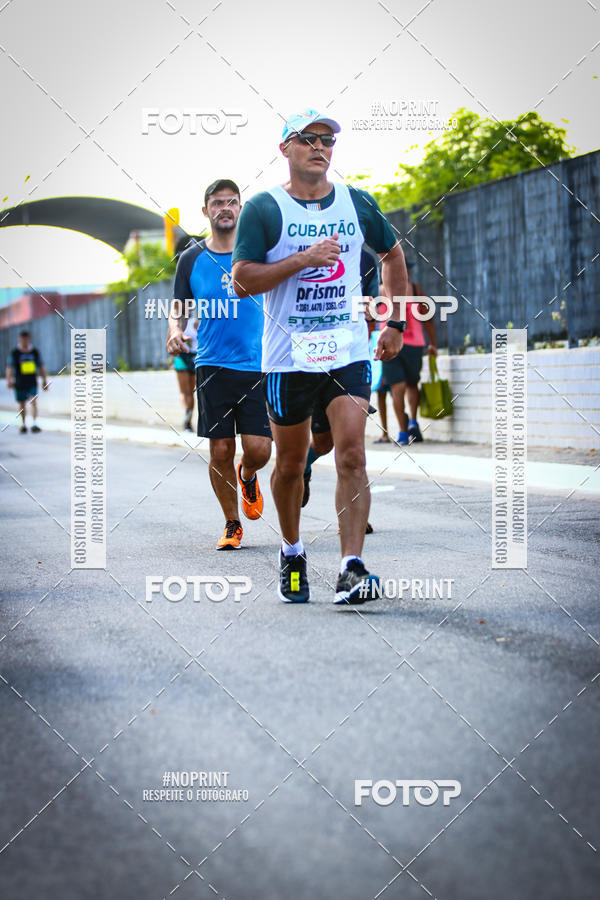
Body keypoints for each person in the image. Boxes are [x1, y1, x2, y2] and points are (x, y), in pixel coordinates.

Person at [232, 108, 408, 604]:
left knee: (352, 453)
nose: (319, 147)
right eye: (307, 138)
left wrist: (394, 322)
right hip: (288, 358)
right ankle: (291, 550)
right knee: (290, 466)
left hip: (346, 349)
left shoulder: (355, 204)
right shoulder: (264, 209)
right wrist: (304, 259)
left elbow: (392, 255)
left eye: (327, 139)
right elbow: (242, 280)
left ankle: (352, 567)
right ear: (284, 149)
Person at [166, 179, 272, 550]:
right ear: (205, 210)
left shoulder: (260, 252)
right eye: (217, 202)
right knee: (220, 450)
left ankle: (248, 475)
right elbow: (178, 305)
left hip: (259, 365)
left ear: (240, 208)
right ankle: (231, 523)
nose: (224, 208)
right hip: (211, 365)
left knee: (259, 449)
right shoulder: (191, 259)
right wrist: (175, 330)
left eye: (231, 202)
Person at [301, 247, 380, 534]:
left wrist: (373, 307)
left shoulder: (366, 259)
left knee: (351, 445)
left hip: (351, 359)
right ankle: (303, 467)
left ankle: (352, 514)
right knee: (323, 443)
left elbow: (374, 307)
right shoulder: (306, 248)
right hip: (311, 359)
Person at [381, 265, 437, 445]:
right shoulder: (414, 289)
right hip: (414, 344)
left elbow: (370, 319)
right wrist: (433, 343)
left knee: (398, 388)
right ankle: (412, 421)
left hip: (389, 345)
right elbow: (427, 317)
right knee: (412, 384)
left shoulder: (381, 290)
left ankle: (403, 433)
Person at [5, 330, 48, 433]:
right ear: (19, 339)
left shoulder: (34, 352)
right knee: (22, 404)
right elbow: (9, 367)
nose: (25, 341)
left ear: (29, 339)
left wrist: (44, 380)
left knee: (34, 401)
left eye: (26, 338)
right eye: (22, 339)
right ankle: (23, 424)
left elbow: (41, 366)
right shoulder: (15, 353)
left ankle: (34, 424)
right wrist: (9, 379)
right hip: (20, 382)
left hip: (32, 381)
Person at [173, 316, 199, 431]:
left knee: (191, 390)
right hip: (181, 357)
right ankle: (186, 416)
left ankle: (189, 417)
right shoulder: (176, 323)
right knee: (184, 391)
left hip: (193, 356)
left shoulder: (196, 323)